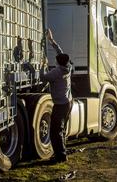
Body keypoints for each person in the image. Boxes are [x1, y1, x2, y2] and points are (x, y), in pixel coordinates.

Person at [40, 29, 73, 163]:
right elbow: (60, 52)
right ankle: (61, 152)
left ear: (58, 62)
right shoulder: (68, 67)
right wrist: (51, 41)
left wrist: (43, 65)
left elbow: (43, 77)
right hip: (68, 103)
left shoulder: (56, 72)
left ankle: (61, 156)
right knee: (61, 129)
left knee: (55, 131)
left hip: (60, 106)